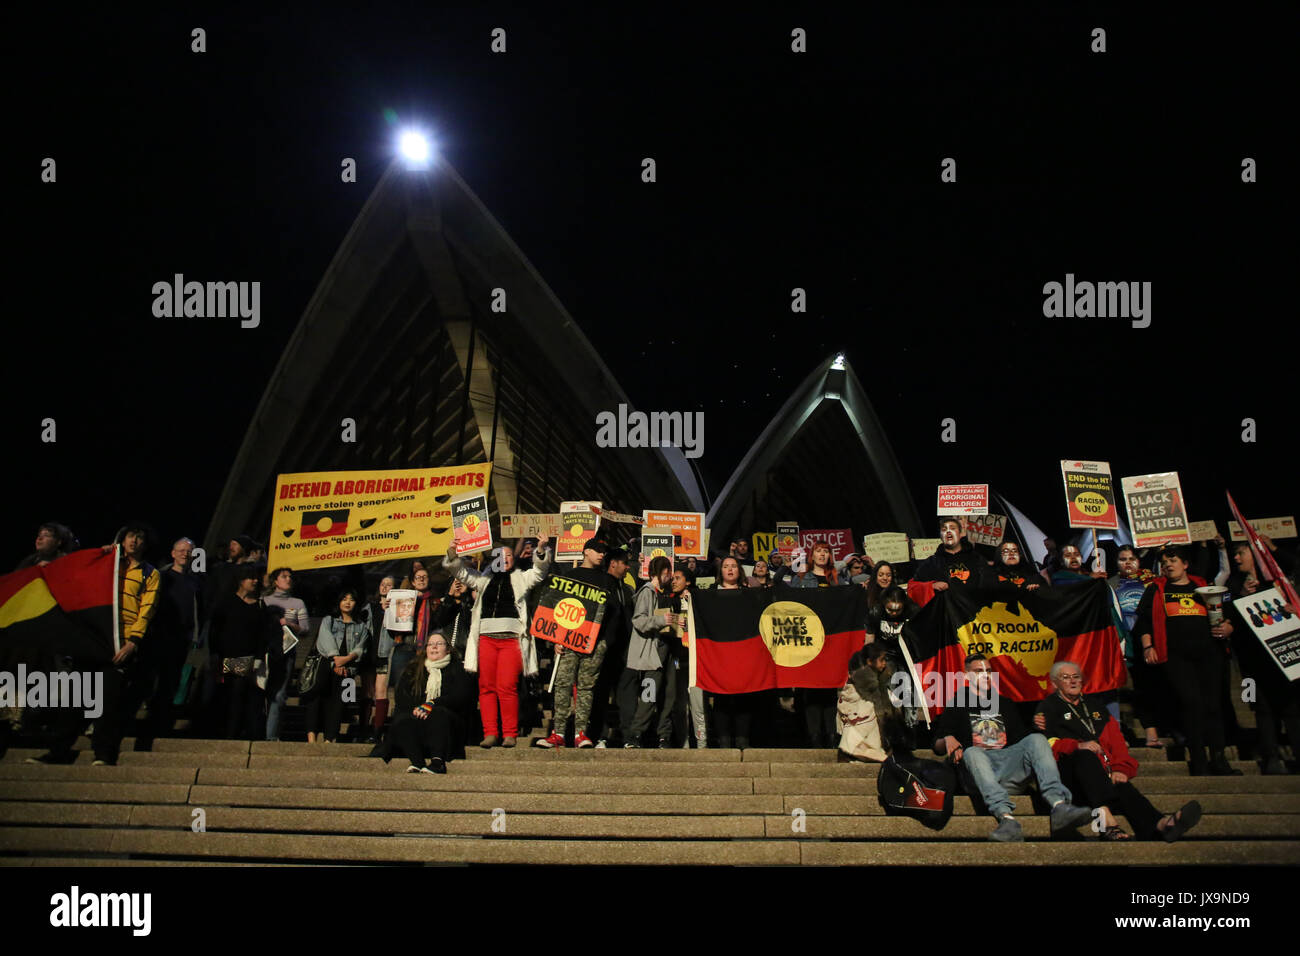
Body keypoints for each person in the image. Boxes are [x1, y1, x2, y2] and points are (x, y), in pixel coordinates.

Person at [1034, 661, 1202, 841]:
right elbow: (1045, 745)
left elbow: (1117, 741)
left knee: (1122, 786)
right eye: (1065, 678)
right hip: (1068, 778)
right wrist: (1076, 745)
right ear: (1054, 683)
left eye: (1076, 677)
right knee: (1085, 756)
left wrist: (1121, 768)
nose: (1072, 681)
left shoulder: (1095, 706)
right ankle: (1106, 824)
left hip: (1100, 776)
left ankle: (1162, 825)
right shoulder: (1048, 707)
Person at [933, 653, 1092, 842]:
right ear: (967, 676)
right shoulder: (957, 705)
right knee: (973, 752)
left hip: (1008, 768)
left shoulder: (1005, 703)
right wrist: (948, 738)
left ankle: (1059, 805)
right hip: (978, 772)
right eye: (978, 671)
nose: (985, 675)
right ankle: (1006, 819)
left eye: (988, 671)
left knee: (1036, 739)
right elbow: (937, 747)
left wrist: (1038, 727)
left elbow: (1022, 740)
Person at [1133, 545, 1240, 776]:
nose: (1168, 565)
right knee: (1192, 703)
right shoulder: (1156, 589)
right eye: (1164, 562)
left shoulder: (1202, 585)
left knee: (1213, 705)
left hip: (1209, 654)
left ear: (1185, 564)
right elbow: (1143, 621)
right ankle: (1199, 760)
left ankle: (1219, 760)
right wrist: (1148, 646)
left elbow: (1227, 612)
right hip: (1176, 657)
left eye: (1173, 560)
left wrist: (1228, 626)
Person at [445, 534, 552, 748]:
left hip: (511, 640)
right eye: (501, 556)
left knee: (507, 686)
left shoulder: (521, 578)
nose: (505, 559)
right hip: (486, 639)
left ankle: (509, 733)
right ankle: (490, 733)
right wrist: (452, 553)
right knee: (486, 687)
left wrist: (541, 550)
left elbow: (540, 572)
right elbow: (459, 572)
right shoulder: (482, 578)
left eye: (510, 555)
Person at [1225, 540, 1299, 774]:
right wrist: (1241, 596)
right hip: (1250, 663)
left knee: (1292, 708)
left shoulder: (1278, 581)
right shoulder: (1234, 584)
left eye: (1241, 553)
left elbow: (1294, 564)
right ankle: (1270, 757)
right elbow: (1227, 614)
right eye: (1235, 554)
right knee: (1260, 708)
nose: (1236, 559)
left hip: (1282, 658)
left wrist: (1271, 547)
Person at [539, 539, 616, 748]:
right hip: (568, 642)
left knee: (586, 688)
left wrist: (604, 643)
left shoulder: (607, 580)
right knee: (562, 685)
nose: (602, 555)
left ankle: (581, 733)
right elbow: (557, 609)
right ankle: (559, 733)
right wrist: (554, 639)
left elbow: (613, 615)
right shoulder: (569, 577)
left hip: (594, 645)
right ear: (586, 552)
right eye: (598, 550)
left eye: (604, 551)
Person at [369, 634, 475, 772]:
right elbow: (402, 697)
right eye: (430, 644)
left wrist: (432, 703)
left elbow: (460, 696)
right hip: (417, 719)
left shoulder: (457, 669)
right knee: (402, 720)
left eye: (439, 644)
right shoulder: (413, 669)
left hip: (446, 724)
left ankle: (438, 762)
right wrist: (419, 709)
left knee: (438, 712)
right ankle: (417, 762)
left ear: (448, 649)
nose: (434, 647)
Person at [207, 564, 280, 741]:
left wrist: (257, 658)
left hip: (248, 660)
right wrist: (215, 653)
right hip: (225, 657)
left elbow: (263, 636)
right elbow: (215, 630)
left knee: (241, 695)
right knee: (225, 695)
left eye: (256, 578)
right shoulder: (226, 602)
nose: (255, 581)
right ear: (240, 580)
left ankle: (235, 733)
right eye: (250, 577)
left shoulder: (260, 607)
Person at [145, 537, 204, 743]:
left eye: (188, 551)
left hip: (181, 639)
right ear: (173, 553)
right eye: (181, 550)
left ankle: (162, 724)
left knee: (170, 683)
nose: (184, 554)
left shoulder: (195, 581)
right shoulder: (160, 576)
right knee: (149, 681)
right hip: (158, 636)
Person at [619, 555, 680, 748]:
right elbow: (638, 620)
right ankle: (635, 735)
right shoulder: (647, 592)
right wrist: (662, 621)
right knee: (649, 694)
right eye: (667, 572)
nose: (669, 576)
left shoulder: (665, 592)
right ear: (659, 572)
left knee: (668, 696)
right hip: (653, 653)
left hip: (668, 651)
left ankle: (664, 735)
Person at [1109, 545, 1164, 749]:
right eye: (1122, 559)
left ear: (1139, 561)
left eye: (1132, 558)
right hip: (1123, 642)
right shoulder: (1111, 584)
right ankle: (1125, 734)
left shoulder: (1150, 582)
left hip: (1147, 641)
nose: (1128, 562)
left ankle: (1157, 731)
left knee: (1149, 687)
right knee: (1124, 688)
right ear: (1116, 563)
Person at [304, 588, 371, 743]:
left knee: (340, 703)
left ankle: (330, 737)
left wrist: (345, 659)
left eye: (351, 599)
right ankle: (311, 737)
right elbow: (324, 639)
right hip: (325, 665)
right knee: (316, 699)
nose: (347, 602)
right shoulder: (329, 620)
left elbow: (361, 647)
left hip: (348, 669)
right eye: (344, 599)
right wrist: (336, 659)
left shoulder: (361, 626)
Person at [262, 567, 310, 741]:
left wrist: (290, 624)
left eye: (290, 577)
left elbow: (305, 628)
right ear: (275, 581)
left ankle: (271, 736)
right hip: (265, 652)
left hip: (287, 652)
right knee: (261, 692)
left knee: (279, 694)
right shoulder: (264, 601)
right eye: (284, 576)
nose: (288, 579)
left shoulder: (297, 603)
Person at [838, 641, 907, 762]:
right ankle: (855, 751)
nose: (884, 663)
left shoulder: (877, 681)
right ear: (870, 662)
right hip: (856, 732)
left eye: (885, 660)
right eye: (881, 660)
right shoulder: (863, 683)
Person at [593, 547, 635, 748]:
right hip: (603, 649)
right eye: (624, 563)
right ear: (613, 564)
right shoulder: (600, 585)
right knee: (600, 693)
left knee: (626, 695)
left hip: (624, 651)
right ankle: (599, 735)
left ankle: (627, 737)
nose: (627, 567)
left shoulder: (626, 590)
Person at [360, 575, 397, 744]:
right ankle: (363, 729)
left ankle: (377, 731)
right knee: (367, 693)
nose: (385, 587)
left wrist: (389, 609)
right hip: (368, 653)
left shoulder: (397, 607)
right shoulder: (369, 606)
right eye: (382, 584)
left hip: (384, 653)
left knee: (381, 692)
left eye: (389, 585)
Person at [912, 518, 992, 591]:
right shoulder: (931, 563)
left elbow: (991, 584)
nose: (948, 531)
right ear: (941, 536)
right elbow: (914, 587)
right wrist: (931, 586)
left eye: (953, 528)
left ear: (961, 534)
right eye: (944, 529)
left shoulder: (976, 559)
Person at [15, 522, 79, 570]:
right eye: (39, 535)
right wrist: (34, 570)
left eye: (46, 535)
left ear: (58, 542)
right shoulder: (28, 561)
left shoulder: (67, 560)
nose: (39, 538)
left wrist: (52, 568)